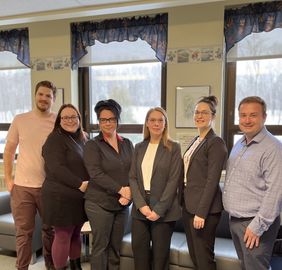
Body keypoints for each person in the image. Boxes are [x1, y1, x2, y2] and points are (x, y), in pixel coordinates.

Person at [223, 96, 282, 270]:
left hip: (254, 224)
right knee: (246, 266)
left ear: (264, 117)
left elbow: (276, 191)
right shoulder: (240, 143)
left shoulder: (273, 148)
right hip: (236, 221)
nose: (247, 120)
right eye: (243, 115)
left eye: (253, 115)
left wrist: (257, 226)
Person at [3, 80, 57, 270]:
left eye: (48, 96)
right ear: (35, 95)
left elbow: (76, 139)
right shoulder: (20, 119)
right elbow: (9, 151)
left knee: (50, 231)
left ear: (54, 99)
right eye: (41, 94)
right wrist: (9, 180)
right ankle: (22, 268)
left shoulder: (57, 121)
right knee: (23, 234)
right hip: (22, 188)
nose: (44, 98)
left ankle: (51, 266)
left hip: (48, 187)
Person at [83, 99, 134, 270]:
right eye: (103, 119)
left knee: (115, 248)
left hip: (122, 205)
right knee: (100, 247)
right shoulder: (92, 145)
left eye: (111, 119)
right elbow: (96, 174)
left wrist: (129, 193)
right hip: (99, 203)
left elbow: (134, 171)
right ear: (99, 122)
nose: (107, 123)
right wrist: (122, 190)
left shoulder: (127, 143)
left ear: (118, 120)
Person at [129, 107, 182, 270]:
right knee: (140, 256)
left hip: (164, 211)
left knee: (160, 259)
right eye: (152, 120)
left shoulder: (174, 147)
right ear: (146, 123)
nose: (156, 123)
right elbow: (132, 177)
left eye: (160, 120)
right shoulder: (139, 147)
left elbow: (174, 181)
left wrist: (158, 210)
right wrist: (141, 206)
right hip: (140, 209)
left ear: (165, 124)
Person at [181, 96, 228, 270]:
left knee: (204, 259)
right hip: (189, 207)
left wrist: (201, 213)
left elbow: (212, 181)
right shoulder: (197, 140)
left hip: (204, 212)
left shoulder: (216, 142)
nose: (199, 116)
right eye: (197, 112)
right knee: (195, 256)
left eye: (204, 112)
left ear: (213, 116)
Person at [41, 104, 89, 270]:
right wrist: (80, 184)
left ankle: (76, 267)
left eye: (73, 117)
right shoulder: (54, 139)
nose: (70, 120)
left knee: (76, 233)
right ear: (59, 120)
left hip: (79, 197)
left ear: (79, 119)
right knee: (62, 235)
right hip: (60, 197)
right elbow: (57, 168)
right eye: (66, 117)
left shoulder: (82, 138)